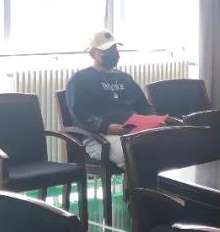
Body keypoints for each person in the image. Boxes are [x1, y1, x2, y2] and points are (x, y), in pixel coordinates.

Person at [66, 30, 157, 169]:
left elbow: (144, 105)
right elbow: (79, 113)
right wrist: (105, 127)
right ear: (93, 53)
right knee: (134, 153)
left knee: (164, 144)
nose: (112, 53)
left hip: (132, 132)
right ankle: (139, 184)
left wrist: (153, 119)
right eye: (106, 50)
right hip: (99, 137)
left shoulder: (125, 78)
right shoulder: (80, 79)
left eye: (114, 48)